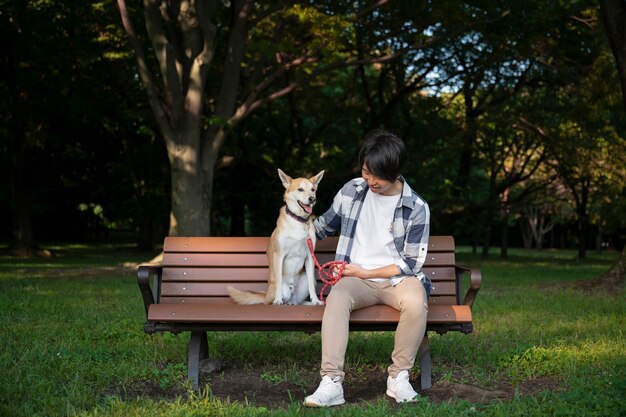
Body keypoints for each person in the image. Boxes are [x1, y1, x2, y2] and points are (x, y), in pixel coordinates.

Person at [304, 129, 431, 407]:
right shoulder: (353, 190)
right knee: (337, 298)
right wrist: (292, 229)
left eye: (378, 176)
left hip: (397, 278)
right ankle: (331, 382)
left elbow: (410, 263)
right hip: (355, 279)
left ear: (396, 172)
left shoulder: (416, 207)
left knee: (416, 300)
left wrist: (365, 272)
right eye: (366, 171)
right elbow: (322, 227)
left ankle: (399, 377)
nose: (370, 180)